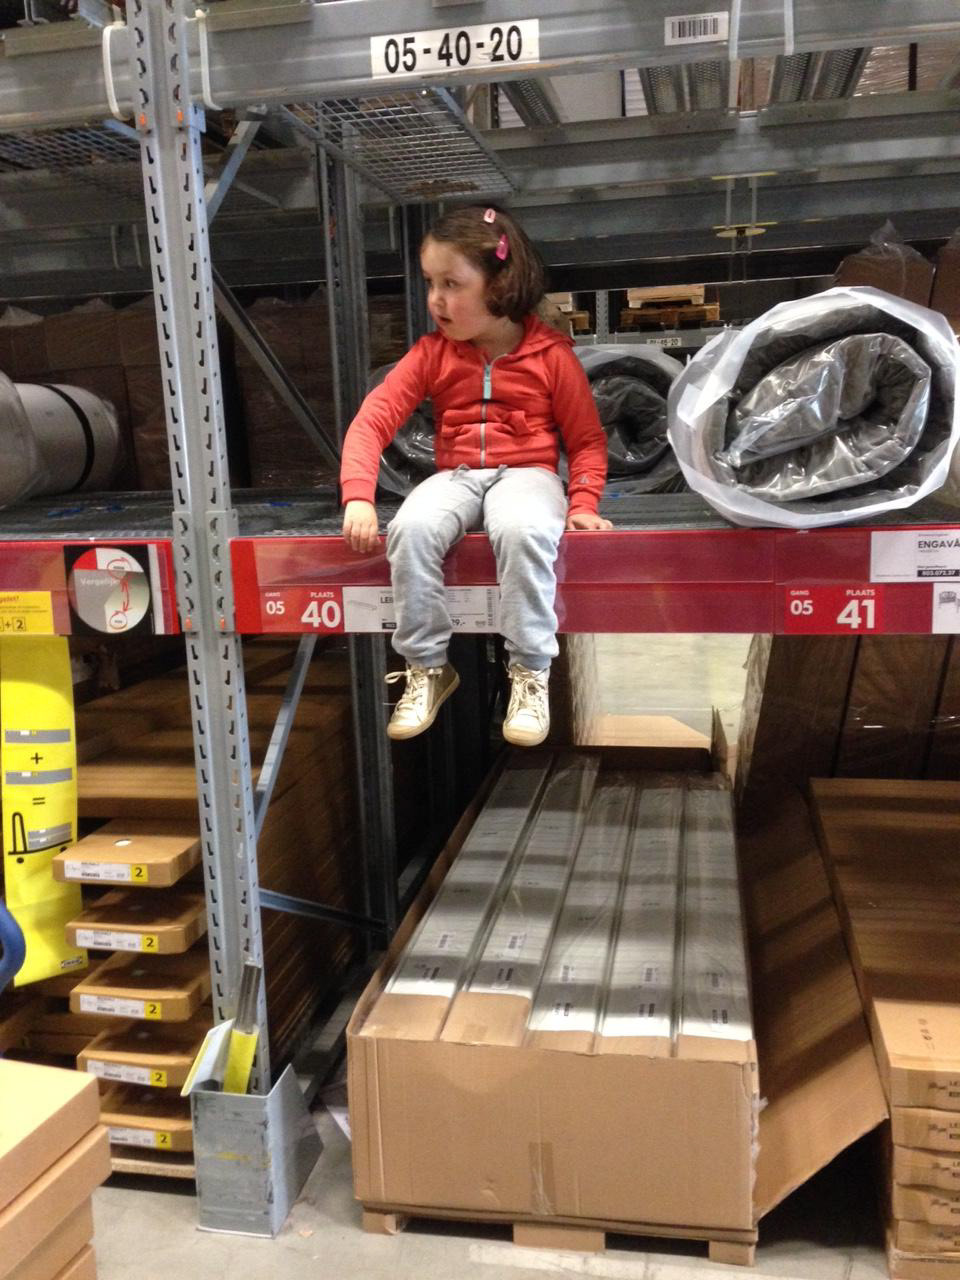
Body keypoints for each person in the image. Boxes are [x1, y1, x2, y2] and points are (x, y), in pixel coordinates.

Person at [340, 205, 610, 747]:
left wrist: (582, 503)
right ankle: (428, 666)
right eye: (430, 283)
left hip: (528, 473)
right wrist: (359, 496)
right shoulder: (431, 354)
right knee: (411, 528)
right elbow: (373, 420)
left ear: (500, 284)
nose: (435, 300)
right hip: (458, 474)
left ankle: (530, 670)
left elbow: (585, 440)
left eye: (452, 284)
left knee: (523, 530)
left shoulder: (552, 357)